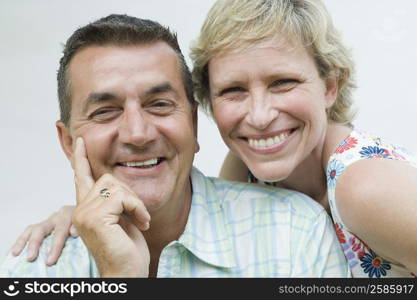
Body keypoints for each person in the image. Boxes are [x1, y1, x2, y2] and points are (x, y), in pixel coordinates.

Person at [11, 0, 417, 278]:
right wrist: (85, 211)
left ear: (330, 86)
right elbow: (183, 199)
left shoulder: (365, 189)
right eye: (233, 91)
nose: (258, 117)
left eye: (283, 82)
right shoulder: (249, 168)